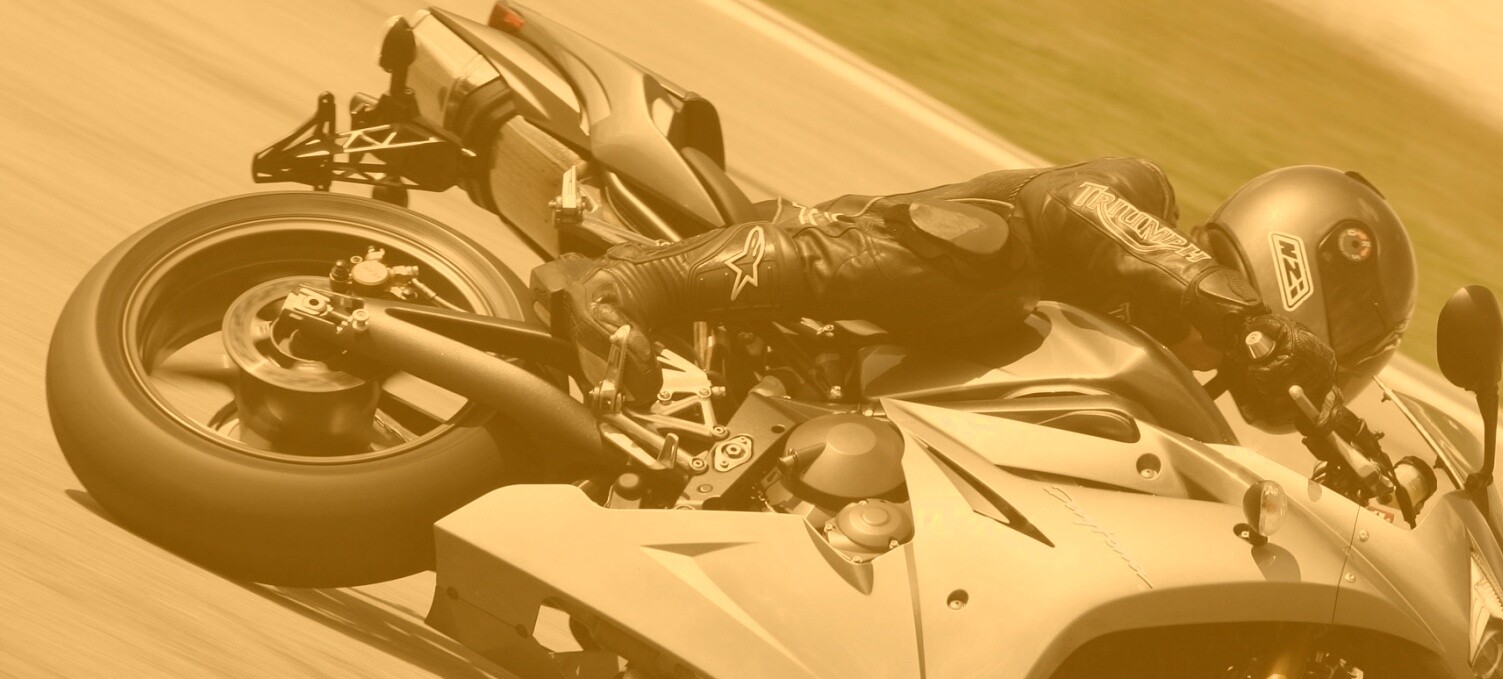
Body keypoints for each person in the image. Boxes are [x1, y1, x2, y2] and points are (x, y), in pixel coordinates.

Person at [554, 160, 1416, 431]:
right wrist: (1247, 319)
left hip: (865, 404)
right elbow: (1071, 206)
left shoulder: (1159, 388)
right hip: (836, 258)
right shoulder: (1138, 197)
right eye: (1347, 324)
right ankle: (641, 280)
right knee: (998, 258)